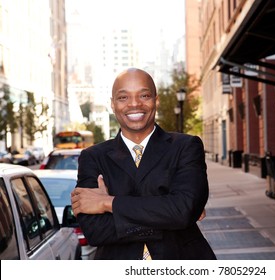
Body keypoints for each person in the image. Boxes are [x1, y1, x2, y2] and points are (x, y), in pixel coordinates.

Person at [71, 68, 216, 260]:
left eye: (144, 95)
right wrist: (170, 216)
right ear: (113, 105)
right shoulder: (93, 157)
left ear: (156, 100)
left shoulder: (186, 146)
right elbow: (96, 231)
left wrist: (108, 202)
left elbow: (183, 210)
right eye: (123, 97)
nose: (134, 104)